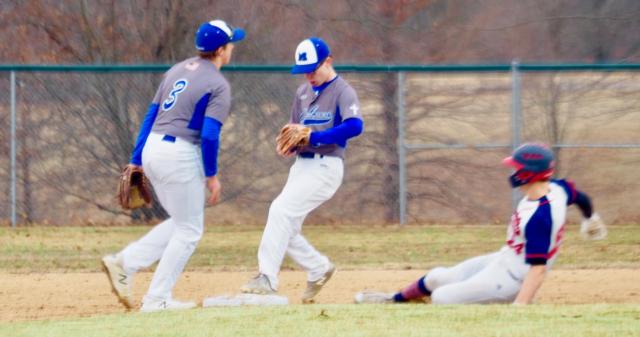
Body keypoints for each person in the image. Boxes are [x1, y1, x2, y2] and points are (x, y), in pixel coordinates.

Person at [102, 19, 245, 312]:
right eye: (230, 44)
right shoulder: (218, 84)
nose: (232, 48)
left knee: (182, 222)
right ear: (220, 50)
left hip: (154, 146)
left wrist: (136, 158)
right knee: (190, 230)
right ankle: (157, 299)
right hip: (180, 153)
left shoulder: (176, 69)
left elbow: (149, 117)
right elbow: (208, 135)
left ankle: (124, 264)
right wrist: (212, 175)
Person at [355, 143, 606, 305]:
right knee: (438, 277)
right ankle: (395, 300)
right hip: (503, 259)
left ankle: (503, 301)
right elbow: (582, 197)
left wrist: (520, 306)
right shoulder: (557, 189)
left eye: (517, 167)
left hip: (512, 280)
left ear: (529, 173)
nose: (513, 171)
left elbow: (538, 270)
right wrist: (590, 218)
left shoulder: (540, 216)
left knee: (443, 298)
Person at [240, 37, 364, 303]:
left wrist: (314, 138)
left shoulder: (343, 91)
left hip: (326, 166)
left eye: (313, 69)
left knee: (279, 211)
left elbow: (355, 126)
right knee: (286, 226)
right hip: (302, 166)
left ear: (328, 61)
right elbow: (295, 129)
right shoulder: (303, 93)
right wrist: (291, 146)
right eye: (304, 70)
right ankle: (318, 267)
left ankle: (266, 278)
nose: (309, 75)